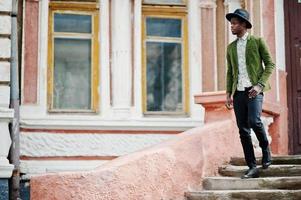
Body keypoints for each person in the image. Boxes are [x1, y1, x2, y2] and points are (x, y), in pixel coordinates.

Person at [225, 9, 275, 179]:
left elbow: (270, 64)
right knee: (243, 130)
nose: (232, 26)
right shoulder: (231, 48)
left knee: (254, 121)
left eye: (235, 23)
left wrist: (260, 85)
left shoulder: (257, 41)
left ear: (244, 24)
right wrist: (227, 94)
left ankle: (265, 148)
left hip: (255, 90)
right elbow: (230, 72)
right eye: (231, 23)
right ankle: (252, 166)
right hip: (238, 92)